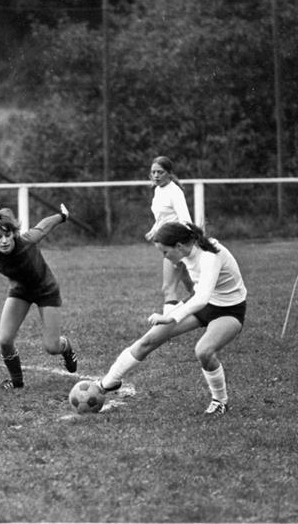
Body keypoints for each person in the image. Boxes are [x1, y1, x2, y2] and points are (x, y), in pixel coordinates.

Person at [97, 221, 247, 416]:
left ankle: (220, 401)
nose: (164, 257)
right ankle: (108, 382)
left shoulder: (210, 256)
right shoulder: (185, 248)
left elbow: (201, 298)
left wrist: (171, 317)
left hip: (229, 309)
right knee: (149, 339)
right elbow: (195, 291)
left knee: (204, 351)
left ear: (179, 246)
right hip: (201, 303)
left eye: (165, 252)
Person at [0, 205, 78, 389]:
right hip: (20, 292)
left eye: (8, 235)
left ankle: (66, 346)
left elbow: (44, 226)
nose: (4, 241)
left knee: (52, 347)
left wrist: (62, 216)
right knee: (4, 341)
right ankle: (17, 382)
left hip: (46, 291)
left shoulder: (27, 240)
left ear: (14, 233)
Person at [143, 156, 193, 312]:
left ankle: (165, 331)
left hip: (177, 245)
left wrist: (181, 246)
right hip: (169, 244)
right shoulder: (158, 190)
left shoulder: (175, 192)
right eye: (153, 172)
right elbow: (162, 217)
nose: (156, 176)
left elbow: (185, 220)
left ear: (169, 173)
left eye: (160, 172)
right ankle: (211, 310)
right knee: (193, 287)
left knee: (168, 288)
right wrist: (154, 230)